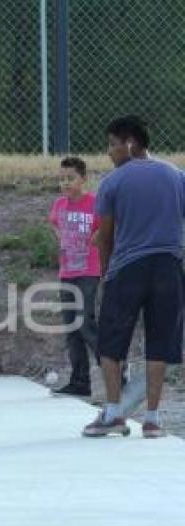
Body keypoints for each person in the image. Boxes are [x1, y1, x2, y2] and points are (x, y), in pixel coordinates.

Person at [83, 115, 185, 439]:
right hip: (170, 267)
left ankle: (114, 413)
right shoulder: (177, 175)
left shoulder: (114, 181)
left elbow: (105, 236)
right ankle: (152, 419)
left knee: (110, 341)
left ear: (130, 144)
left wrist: (104, 274)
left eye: (113, 144)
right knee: (161, 342)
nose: (109, 152)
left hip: (128, 268)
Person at [48, 157, 100, 397]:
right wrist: (60, 237)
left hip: (88, 272)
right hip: (67, 272)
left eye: (70, 178)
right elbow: (54, 224)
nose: (65, 183)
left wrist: (95, 241)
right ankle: (80, 382)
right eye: (61, 179)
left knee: (85, 324)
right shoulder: (60, 204)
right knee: (72, 327)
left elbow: (105, 227)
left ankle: (116, 370)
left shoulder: (95, 203)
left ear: (83, 179)